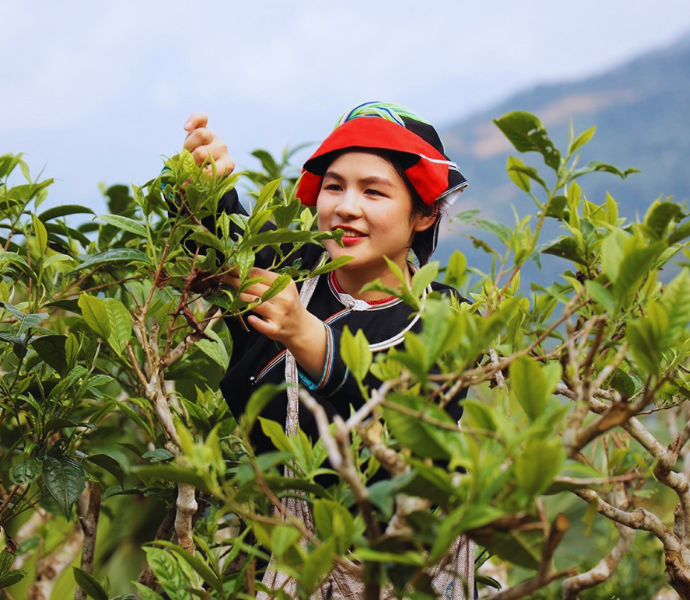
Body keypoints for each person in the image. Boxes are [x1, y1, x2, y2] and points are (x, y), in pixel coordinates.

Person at [180, 101, 474, 599]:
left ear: (424, 214)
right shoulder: (291, 275)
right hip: (277, 569)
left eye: (374, 191)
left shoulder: (448, 320)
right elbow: (221, 247)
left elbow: (407, 427)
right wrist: (204, 184)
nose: (346, 207)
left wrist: (308, 337)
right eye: (334, 186)